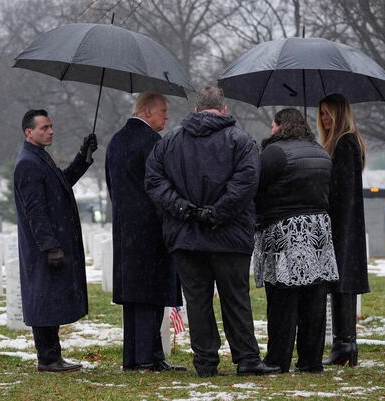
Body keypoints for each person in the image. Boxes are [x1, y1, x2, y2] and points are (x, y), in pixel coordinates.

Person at [145, 87, 279, 377]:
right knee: (235, 299)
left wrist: (184, 209)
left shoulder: (169, 143)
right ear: (224, 109)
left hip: (186, 236)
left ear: (195, 110)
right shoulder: (241, 141)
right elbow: (245, 185)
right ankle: (246, 358)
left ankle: (205, 361)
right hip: (229, 236)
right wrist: (216, 213)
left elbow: (154, 181)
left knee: (197, 301)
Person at [253, 108, 339, 373]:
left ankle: (278, 359)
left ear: (280, 125)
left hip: (284, 229)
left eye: (273, 125)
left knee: (282, 300)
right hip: (318, 231)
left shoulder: (275, 153)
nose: (271, 130)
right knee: (314, 299)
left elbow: (255, 184)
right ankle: (311, 360)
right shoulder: (322, 152)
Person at [105, 92, 185, 372]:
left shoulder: (115, 141)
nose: (166, 116)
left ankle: (134, 357)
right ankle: (148, 358)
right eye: (163, 111)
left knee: (134, 297)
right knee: (151, 295)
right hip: (151, 228)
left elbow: (112, 187)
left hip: (125, 229)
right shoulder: (152, 141)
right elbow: (163, 186)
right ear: (148, 112)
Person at [14, 109, 97, 372]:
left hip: (49, 244)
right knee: (43, 300)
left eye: (51, 126)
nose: (50, 131)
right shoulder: (28, 162)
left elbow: (62, 183)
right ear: (29, 132)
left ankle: (52, 356)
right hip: (42, 247)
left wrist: (83, 158)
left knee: (49, 299)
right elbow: (35, 211)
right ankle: (47, 358)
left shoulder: (39, 157)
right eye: (44, 128)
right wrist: (50, 246)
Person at [317, 93, 369, 367]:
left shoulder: (344, 142)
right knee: (341, 283)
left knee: (343, 283)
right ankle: (345, 345)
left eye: (329, 113)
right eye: (322, 114)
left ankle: (345, 343)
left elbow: (340, 190)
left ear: (340, 114)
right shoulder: (341, 142)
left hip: (343, 224)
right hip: (345, 224)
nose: (325, 119)